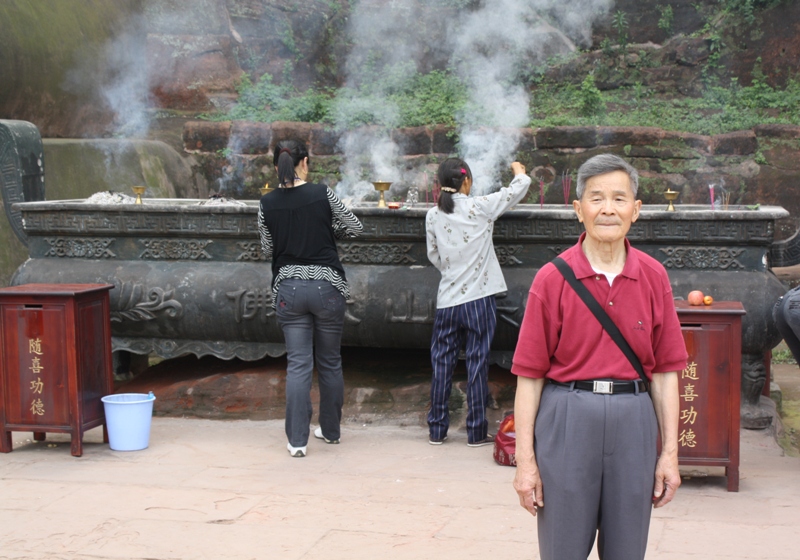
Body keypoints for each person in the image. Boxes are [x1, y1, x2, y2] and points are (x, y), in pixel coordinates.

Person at [511, 154, 687, 560]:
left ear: (636, 210)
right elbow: (530, 377)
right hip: (567, 418)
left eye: (619, 199)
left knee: (628, 549)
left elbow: (664, 374)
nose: (608, 209)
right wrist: (525, 463)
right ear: (578, 210)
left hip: (634, 420)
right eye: (596, 198)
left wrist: (670, 455)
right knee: (562, 548)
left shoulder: (653, 276)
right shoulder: (552, 278)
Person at [258, 140, 363, 458]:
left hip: (289, 289)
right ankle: (330, 432)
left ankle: (297, 441)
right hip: (327, 288)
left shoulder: (267, 203)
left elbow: (267, 248)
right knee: (330, 362)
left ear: (277, 167)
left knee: (299, 365)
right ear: (305, 162)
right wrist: (327, 232)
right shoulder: (322, 193)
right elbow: (355, 228)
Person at [426, 158, 531, 446]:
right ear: (467, 182)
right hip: (478, 301)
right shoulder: (480, 207)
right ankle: (475, 432)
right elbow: (516, 190)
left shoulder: (433, 215)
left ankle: (437, 430)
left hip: (447, 301)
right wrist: (519, 172)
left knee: (442, 364)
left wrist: (452, 273)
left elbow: (434, 255)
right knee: (477, 363)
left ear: (439, 183)